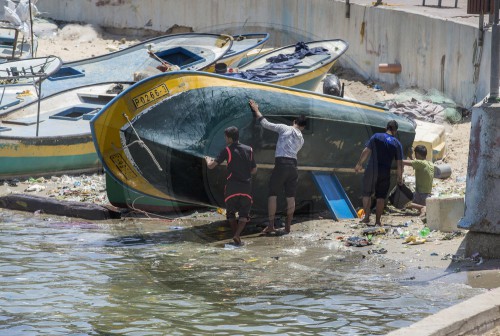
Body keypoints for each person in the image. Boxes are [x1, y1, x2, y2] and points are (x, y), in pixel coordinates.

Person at [248, 99, 306, 234]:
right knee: (291, 197)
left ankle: (271, 225)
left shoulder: (285, 128)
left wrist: (256, 110)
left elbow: (265, 124)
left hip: (281, 164)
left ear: (294, 122)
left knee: (272, 194)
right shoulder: (301, 139)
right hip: (293, 166)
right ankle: (288, 227)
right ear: (302, 127)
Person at [205, 126, 257, 245]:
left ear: (229, 138)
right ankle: (237, 236)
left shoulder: (227, 150)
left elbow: (211, 166)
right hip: (246, 187)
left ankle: (236, 235)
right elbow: (254, 170)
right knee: (244, 213)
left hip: (232, 186)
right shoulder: (249, 149)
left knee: (230, 213)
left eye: (225, 137)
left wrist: (208, 159)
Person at [354, 120, 403, 226]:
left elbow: (366, 151)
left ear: (387, 127)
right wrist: (400, 177)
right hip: (385, 172)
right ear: (395, 131)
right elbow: (400, 164)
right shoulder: (397, 143)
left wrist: (359, 164)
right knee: (380, 197)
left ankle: (366, 218)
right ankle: (377, 221)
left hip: (372, 170)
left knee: (366, 194)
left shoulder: (376, 136)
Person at [402, 145, 434, 216]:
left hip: (420, 196)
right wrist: (410, 157)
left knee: (401, 201)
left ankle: (421, 207)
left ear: (417, 154)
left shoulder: (420, 163)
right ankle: (420, 206)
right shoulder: (430, 163)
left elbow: (401, 162)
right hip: (427, 196)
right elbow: (416, 162)